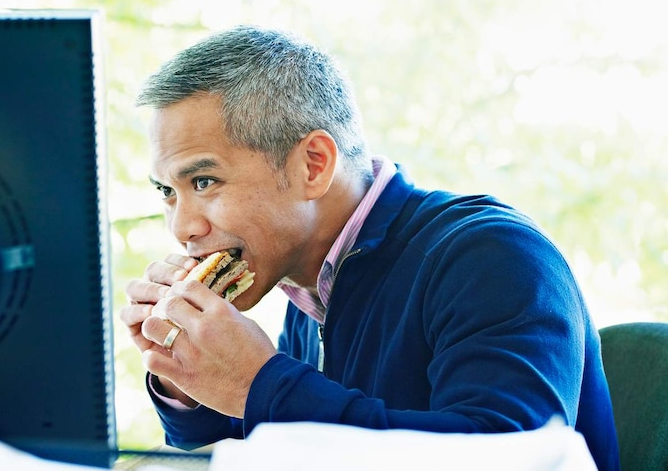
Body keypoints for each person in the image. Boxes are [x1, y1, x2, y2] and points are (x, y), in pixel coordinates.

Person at [119, 25, 619, 471]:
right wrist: (186, 378)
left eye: (204, 181)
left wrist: (259, 382)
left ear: (312, 165)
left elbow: (508, 455)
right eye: (166, 192)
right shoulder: (308, 286)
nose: (182, 226)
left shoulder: (492, 257)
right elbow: (283, 441)